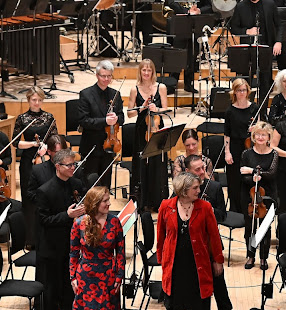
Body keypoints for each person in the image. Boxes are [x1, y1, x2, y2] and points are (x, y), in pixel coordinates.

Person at [157, 172, 225, 310]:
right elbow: (161, 235)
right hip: (175, 265)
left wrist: (217, 260)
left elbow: (214, 236)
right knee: (171, 309)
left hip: (198, 265)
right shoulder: (166, 206)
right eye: (195, 188)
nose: (199, 190)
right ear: (183, 190)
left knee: (197, 309)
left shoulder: (205, 207)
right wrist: (161, 257)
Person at [184, 155, 242, 310]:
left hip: (209, 243)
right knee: (190, 283)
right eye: (197, 170)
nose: (203, 172)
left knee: (219, 282)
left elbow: (223, 216)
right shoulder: (182, 189)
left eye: (203, 168)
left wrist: (208, 208)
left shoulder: (215, 187)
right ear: (187, 172)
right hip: (188, 245)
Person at [70, 186, 124, 310]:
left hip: (107, 275)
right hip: (86, 276)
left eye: (108, 200)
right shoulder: (79, 223)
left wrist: (119, 276)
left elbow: (120, 252)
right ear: (94, 204)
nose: (109, 203)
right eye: (105, 201)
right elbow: (74, 252)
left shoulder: (115, 222)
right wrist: (72, 277)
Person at [36, 149, 86, 310]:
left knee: (69, 284)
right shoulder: (45, 191)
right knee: (52, 286)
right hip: (51, 246)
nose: (73, 167)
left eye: (74, 164)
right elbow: (44, 221)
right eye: (69, 165)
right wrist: (67, 215)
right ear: (58, 166)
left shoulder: (77, 184)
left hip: (72, 244)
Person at [24, 135, 68, 310]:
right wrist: (44, 202)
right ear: (49, 152)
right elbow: (30, 193)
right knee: (44, 271)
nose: (60, 157)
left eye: (62, 152)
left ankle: (63, 306)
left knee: (65, 271)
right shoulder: (38, 170)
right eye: (56, 153)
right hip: (46, 227)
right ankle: (40, 305)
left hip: (64, 226)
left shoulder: (69, 170)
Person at [12, 86, 57, 248]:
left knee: (46, 198)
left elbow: (55, 139)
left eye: (39, 100)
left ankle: (45, 237)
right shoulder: (22, 119)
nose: (37, 103)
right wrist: (33, 144)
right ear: (28, 100)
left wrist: (47, 146)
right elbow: (16, 143)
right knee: (29, 199)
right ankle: (30, 239)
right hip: (28, 162)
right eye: (34, 100)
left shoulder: (49, 117)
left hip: (45, 160)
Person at [127, 59, 169, 211]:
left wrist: (156, 109)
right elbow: (130, 113)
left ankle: (158, 201)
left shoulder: (161, 87)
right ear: (140, 72)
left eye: (149, 70)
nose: (146, 73)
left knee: (157, 162)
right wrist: (142, 108)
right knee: (141, 163)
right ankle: (142, 201)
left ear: (153, 72)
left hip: (156, 127)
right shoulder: (134, 89)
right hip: (141, 130)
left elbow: (166, 109)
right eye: (143, 70)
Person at [78, 60, 125, 188]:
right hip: (91, 146)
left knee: (105, 184)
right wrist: (105, 121)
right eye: (103, 76)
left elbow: (122, 118)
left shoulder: (116, 94)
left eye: (109, 76)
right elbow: (84, 121)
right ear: (97, 75)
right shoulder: (86, 94)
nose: (106, 79)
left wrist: (116, 118)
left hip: (110, 146)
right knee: (91, 184)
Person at [240, 122, 279, 270]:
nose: (260, 137)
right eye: (257, 134)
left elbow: (272, 174)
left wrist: (253, 172)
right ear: (253, 136)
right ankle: (250, 256)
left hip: (268, 195)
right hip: (249, 196)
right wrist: (252, 177)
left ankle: (263, 258)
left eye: (263, 134)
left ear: (269, 137)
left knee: (265, 228)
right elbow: (242, 175)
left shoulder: (274, 153)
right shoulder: (246, 154)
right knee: (250, 227)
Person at [230, 0, 283, 103]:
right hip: (247, 51)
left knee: (265, 82)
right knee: (245, 83)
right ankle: (246, 110)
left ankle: (262, 113)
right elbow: (234, 27)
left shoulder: (270, 4)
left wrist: (278, 42)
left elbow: (279, 25)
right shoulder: (241, 6)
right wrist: (247, 31)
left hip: (266, 48)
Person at [224, 78, 259, 213]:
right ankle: (235, 210)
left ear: (248, 91)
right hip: (234, 147)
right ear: (234, 92)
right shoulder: (230, 111)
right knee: (234, 180)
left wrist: (255, 129)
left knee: (248, 179)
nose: (242, 93)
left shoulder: (254, 108)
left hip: (250, 148)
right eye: (239, 90)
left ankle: (248, 208)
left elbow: (262, 128)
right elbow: (227, 134)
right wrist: (227, 152)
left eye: (244, 90)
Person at [165, 0, 214, 92]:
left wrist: (199, 10)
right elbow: (171, 2)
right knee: (177, 54)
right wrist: (186, 12)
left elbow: (209, 6)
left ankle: (188, 83)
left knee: (193, 54)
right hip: (181, 22)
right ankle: (172, 83)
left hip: (196, 23)